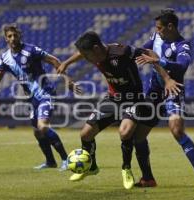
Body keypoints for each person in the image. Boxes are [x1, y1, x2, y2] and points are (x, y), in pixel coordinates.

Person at [57, 31, 181, 189]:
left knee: (125, 132)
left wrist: (167, 78)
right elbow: (80, 54)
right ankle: (91, 167)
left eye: (87, 55)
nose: (87, 59)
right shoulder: (93, 53)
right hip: (113, 99)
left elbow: (150, 53)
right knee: (85, 134)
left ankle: (126, 169)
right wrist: (66, 63)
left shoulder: (122, 52)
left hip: (134, 100)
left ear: (96, 49)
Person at [0, 24, 79, 171]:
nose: (13, 38)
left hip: (45, 93)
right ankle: (50, 162)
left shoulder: (31, 50)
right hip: (32, 98)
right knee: (37, 132)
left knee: (42, 127)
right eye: (9, 36)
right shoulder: (5, 58)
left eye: (15, 35)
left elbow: (55, 61)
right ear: (5, 39)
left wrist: (68, 81)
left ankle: (65, 159)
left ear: (19, 36)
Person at [135, 8, 194, 190]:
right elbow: (140, 50)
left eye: (160, 28)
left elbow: (181, 67)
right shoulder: (156, 38)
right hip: (154, 92)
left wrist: (157, 61)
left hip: (173, 90)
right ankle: (148, 178)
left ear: (170, 27)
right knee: (138, 136)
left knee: (177, 130)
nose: (157, 31)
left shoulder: (183, 45)